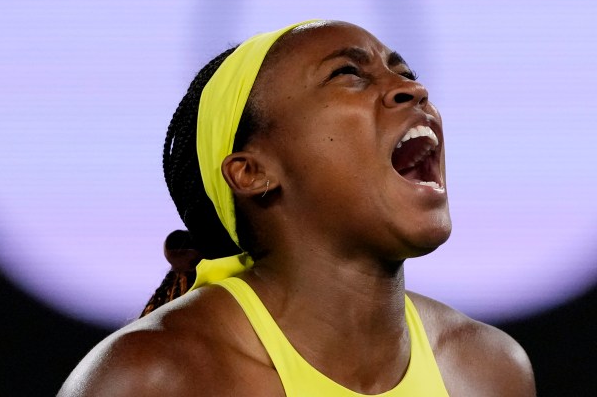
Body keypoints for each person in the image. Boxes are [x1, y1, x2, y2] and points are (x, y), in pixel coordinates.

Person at [58, 20, 536, 396]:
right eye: (348, 73)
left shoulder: (490, 369)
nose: (412, 89)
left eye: (406, 73)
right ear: (252, 173)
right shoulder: (154, 377)